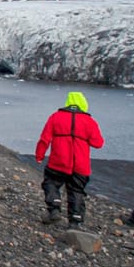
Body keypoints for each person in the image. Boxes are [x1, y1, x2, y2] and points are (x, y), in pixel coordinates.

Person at [35, 91, 105, 229]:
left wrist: (39, 156)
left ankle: (54, 207)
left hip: (58, 161)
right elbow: (98, 143)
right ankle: (75, 221)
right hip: (80, 165)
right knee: (76, 191)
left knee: (50, 183)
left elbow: (45, 139)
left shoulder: (56, 117)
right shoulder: (89, 121)